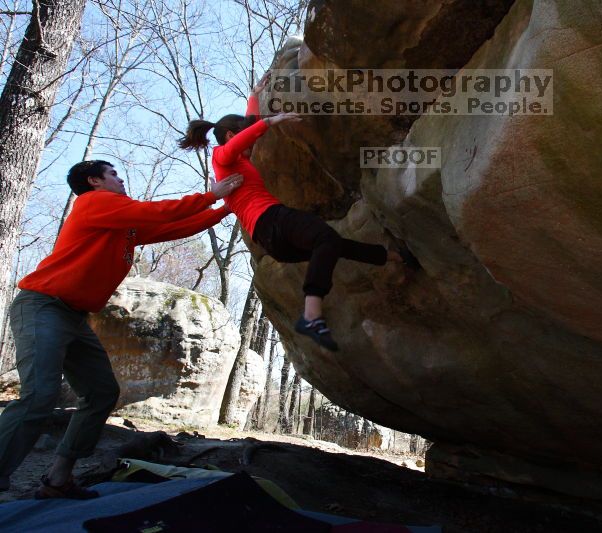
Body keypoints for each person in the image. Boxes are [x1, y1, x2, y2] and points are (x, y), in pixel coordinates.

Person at [0, 160, 243, 499]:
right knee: (39, 395)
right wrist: (209, 196)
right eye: (113, 174)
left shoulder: (120, 225)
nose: (121, 178)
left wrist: (225, 209)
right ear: (94, 181)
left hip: (75, 316)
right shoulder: (92, 202)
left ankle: (57, 480)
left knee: (101, 393)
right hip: (43, 306)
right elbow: (157, 213)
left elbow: (172, 227)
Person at [178, 73, 418, 352]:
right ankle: (312, 314)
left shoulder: (235, 165)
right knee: (326, 239)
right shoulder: (221, 156)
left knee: (333, 246)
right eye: (242, 136)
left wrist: (254, 95)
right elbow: (245, 136)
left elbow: (250, 124)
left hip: (273, 242)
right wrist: (270, 121)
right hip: (272, 220)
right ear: (231, 135)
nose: (253, 145)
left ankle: (394, 257)